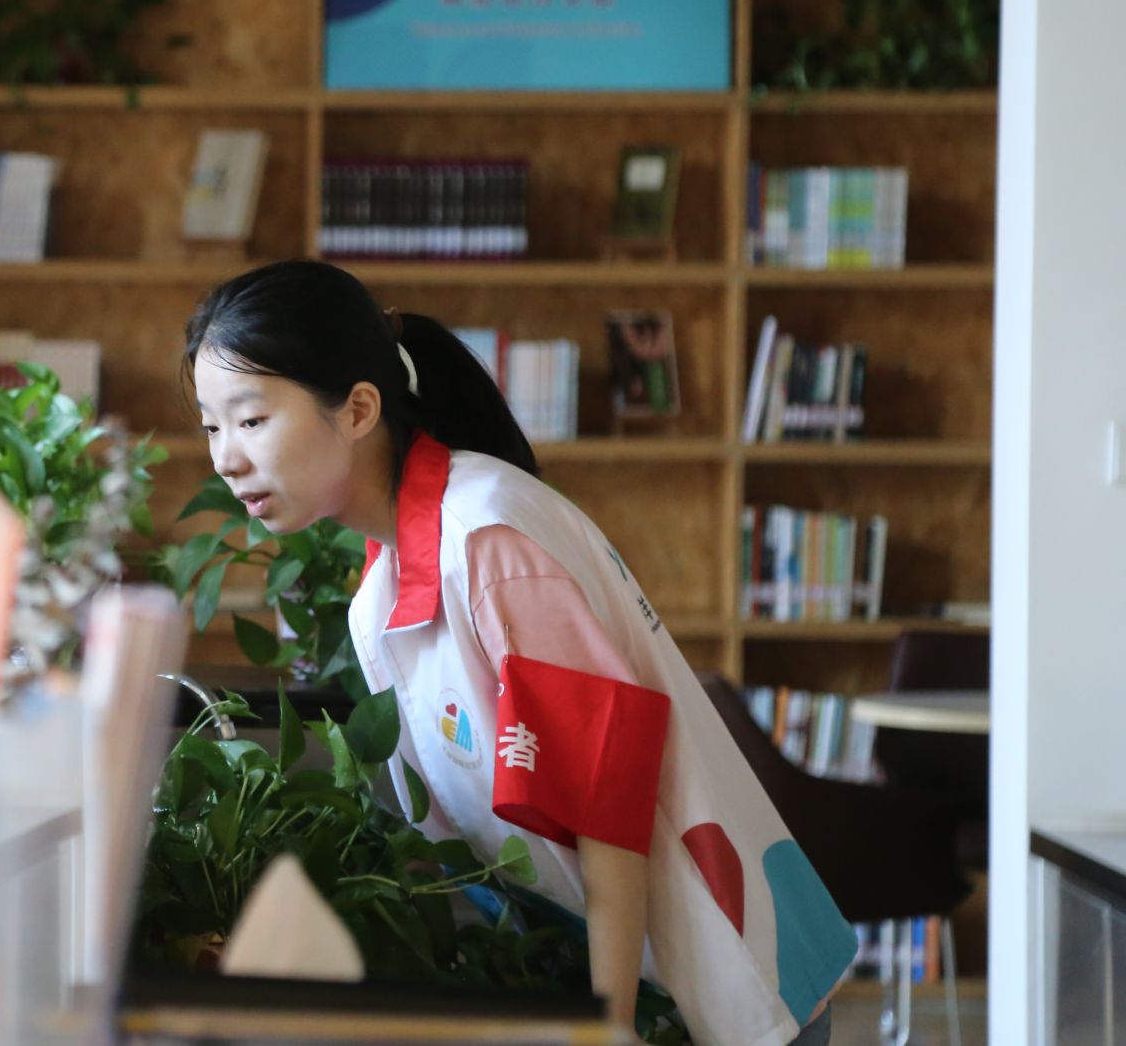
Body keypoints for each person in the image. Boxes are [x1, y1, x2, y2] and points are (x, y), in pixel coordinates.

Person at [184, 260, 851, 1046]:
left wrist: (602, 1026)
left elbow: (606, 797)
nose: (225, 458)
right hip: (621, 978)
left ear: (359, 408)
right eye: (210, 425)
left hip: (719, 988)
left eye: (251, 420)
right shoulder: (380, 589)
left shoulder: (487, 534)